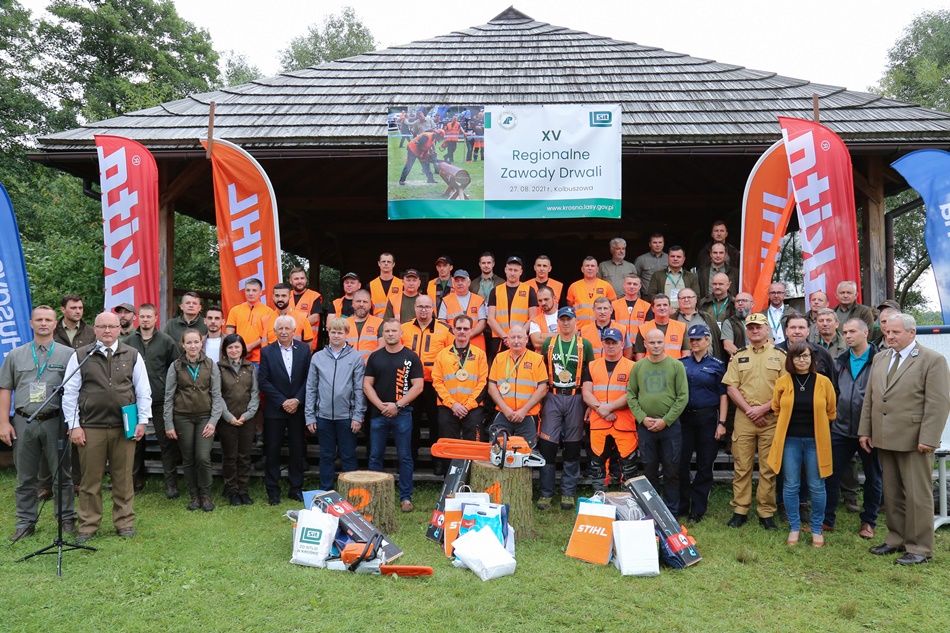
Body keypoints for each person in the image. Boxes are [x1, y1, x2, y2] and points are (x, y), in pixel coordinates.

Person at [859, 313, 950, 565]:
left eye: (895, 333)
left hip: (914, 440)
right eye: (887, 332)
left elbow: (938, 403)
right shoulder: (880, 358)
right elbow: (872, 398)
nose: (889, 337)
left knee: (918, 495)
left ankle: (921, 548)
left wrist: (929, 437)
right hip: (884, 438)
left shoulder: (932, 360)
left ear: (911, 333)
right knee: (892, 493)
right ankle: (895, 539)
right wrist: (866, 430)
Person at [63, 311, 151, 544]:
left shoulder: (132, 355)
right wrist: (74, 426)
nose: (107, 331)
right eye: (102, 327)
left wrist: (142, 421)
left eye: (112, 326)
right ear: (94, 329)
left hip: (125, 426)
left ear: (120, 328)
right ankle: (88, 525)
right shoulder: (81, 355)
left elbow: (143, 390)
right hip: (91, 426)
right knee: (90, 480)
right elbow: (70, 392)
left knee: (123, 477)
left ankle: (124, 522)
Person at [0, 306, 77, 541]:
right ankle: (25, 522)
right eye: (39, 319)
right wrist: (4, 422)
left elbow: (76, 391)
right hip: (24, 422)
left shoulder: (68, 354)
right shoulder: (16, 355)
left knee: (61, 474)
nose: (43, 323)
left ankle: (66, 518)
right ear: (31, 323)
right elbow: (5, 389)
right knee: (25, 476)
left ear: (56, 324)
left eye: (48, 320)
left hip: (56, 422)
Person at [722, 313, 787, 530]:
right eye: (751, 328)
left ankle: (766, 512)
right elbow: (731, 387)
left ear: (767, 330)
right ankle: (740, 509)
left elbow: (786, 389)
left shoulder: (780, 356)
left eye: (759, 327)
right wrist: (751, 411)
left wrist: (763, 409)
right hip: (745, 418)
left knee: (768, 468)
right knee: (742, 466)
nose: (755, 331)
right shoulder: (739, 356)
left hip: (771, 418)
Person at [768, 342, 837, 547]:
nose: (802, 360)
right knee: (790, 485)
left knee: (817, 485)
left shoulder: (823, 382)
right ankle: (794, 527)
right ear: (791, 360)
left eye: (806, 356)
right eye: (797, 357)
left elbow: (831, 411)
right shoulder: (783, 382)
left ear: (812, 359)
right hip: (790, 441)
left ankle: (816, 529)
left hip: (816, 441)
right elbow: (777, 408)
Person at [824, 318, 883, 538]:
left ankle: (868, 522)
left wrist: (874, 427)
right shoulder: (839, 361)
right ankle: (827, 520)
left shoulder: (879, 360)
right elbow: (834, 392)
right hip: (841, 429)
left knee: (873, 476)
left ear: (865, 333)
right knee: (830, 475)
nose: (847, 336)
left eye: (852, 332)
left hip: (870, 430)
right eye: (845, 332)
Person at [537, 307, 596, 510]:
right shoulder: (549, 343)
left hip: (575, 397)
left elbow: (590, 374)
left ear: (575, 321)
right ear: (558, 322)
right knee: (548, 445)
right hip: (553, 396)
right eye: (562, 320)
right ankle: (546, 493)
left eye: (569, 319)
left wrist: (589, 403)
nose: (565, 323)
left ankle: (568, 493)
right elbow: (541, 369)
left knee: (572, 446)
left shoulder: (584, 345)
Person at [363, 319, 424, 512]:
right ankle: (375, 494)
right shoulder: (375, 357)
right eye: (387, 331)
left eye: (394, 331)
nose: (390, 334)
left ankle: (405, 497)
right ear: (383, 334)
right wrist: (381, 405)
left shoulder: (411, 357)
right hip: (378, 413)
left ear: (400, 333)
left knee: (405, 456)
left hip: (403, 413)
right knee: (375, 456)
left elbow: (418, 386)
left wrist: (397, 405)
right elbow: (366, 385)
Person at [626, 328, 688, 516]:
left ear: (665, 343)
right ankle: (652, 511)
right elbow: (631, 394)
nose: (656, 346)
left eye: (659, 342)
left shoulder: (676, 366)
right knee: (649, 470)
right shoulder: (638, 366)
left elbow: (683, 397)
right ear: (645, 344)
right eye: (651, 342)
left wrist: (666, 420)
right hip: (646, 427)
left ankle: (671, 512)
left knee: (671, 470)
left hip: (670, 427)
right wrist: (642, 418)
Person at [123, 303, 180, 497]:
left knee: (166, 443)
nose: (145, 319)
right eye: (142, 316)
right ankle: (134, 481)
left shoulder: (166, 341)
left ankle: (170, 483)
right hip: (134, 400)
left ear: (156, 318)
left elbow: (176, 367)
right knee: (135, 441)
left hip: (160, 398)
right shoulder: (129, 341)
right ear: (137, 317)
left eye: (149, 316)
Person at [163, 329, 223, 512]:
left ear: (201, 343)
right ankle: (194, 496)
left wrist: (213, 421)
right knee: (188, 458)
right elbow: (168, 396)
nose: (193, 346)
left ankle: (206, 495)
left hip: (205, 417)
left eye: (196, 342)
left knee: (203, 457)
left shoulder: (211, 364)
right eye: (188, 343)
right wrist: (169, 424)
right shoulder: (175, 366)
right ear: (183, 345)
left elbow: (217, 395)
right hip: (183, 418)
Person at [304, 317, 366, 491]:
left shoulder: (355, 358)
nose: (336, 335)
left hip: (346, 417)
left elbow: (359, 389)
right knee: (326, 456)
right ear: (328, 333)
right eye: (333, 332)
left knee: (348, 456)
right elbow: (311, 388)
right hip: (323, 416)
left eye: (340, 332)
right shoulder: (318, 357)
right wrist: (310, 416)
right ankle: (326, 492)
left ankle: (351, 493)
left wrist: (357, 415)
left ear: (347, 334)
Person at [258, 315, 312, 505]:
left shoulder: (304, 350)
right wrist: (283, 401)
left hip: (297, 408)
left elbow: (309, 379)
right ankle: (273, 491)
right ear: (274, 332)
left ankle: (295, 488)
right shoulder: (267, 352)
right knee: (272, 450)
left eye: (287, 328)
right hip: (275, 409)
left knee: (297, 450)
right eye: (279, 329)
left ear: (294, 331)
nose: (283, 332)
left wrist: (297, 400)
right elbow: (263, 381)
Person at [679, 324, 728, 523]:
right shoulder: (681, 363)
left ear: (708, 340)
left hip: (708, 418)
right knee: (680, 463)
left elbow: (723, 395)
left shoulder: (717, 365)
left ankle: (697, 510)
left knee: (704, 464)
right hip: (684, 419)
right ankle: (682, 504)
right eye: (692, 340)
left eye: (699, 339)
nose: (695, 343)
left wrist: (722, 422)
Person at [581, 328, 639, 493]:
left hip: (624, 423)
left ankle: (628, 501)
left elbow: (631, 393)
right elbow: (586, 393)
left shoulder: (632, 367)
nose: (611, 346)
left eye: (615, 342)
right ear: (603, 343)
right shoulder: (592, 366)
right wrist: (602, 410)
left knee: (628, 464)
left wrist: (609, 408)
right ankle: (600, 499)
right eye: (608, 342)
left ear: (622, 344)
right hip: (599, 423)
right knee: (597, 463)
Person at [401, 295, 453, 474]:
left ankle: (437, 461)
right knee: (411, 423)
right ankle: (411, 460)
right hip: (410, 383)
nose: (423, 310)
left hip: (434, 383)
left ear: (433, 309)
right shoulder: (404, 328)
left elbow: (451, 355)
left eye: (427, 307)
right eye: (420, 306)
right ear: (415, 308)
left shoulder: (444, 329)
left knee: (435, 423)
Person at [431, 314, 488, 454]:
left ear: (471, 331)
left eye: (466, 328)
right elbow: (437, 383)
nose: (462, 331)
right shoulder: (442, 355)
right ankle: (448, 475)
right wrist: (453, 405)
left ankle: (470, 476)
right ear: (453, 330)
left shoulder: (480, 354)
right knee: (448, 447)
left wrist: (467, 406)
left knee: (473, 448)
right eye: (459, 328)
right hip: (448, 407)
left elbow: (483, 383)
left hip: (473, 408)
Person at [487, 325, 548, 445]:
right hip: (503, 413)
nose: (516, 341)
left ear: (526, 339)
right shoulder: (499, 358)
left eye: (519, 337)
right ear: (507, 340)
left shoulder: (537, 359)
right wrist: (506, 410)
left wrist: (523, 411)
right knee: (498, 450)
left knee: (526, 453)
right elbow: (491, 387)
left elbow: (542, 388)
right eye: (513, 337)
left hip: (528, 415)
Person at [216, 333, 259, 506]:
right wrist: (228, 417)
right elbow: (216, 394)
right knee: (230, 456)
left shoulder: (250, 367)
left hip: (247, 419)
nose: (234, 350)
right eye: (230, 347)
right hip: (227, 419)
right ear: (225, 350)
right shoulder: (218, 367)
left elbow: (255, 393)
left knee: (244, 456)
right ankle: (232, 490)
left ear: (242, 349)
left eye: (237, 346)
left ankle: (243, 490)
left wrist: (248, 414)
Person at [487, 256, 538, 353]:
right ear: (505, 270)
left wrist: (518, 336)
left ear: (521, 272)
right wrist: (506, 337)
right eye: (510, 270)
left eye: (515, 270)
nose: (512, 273)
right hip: (500, 340)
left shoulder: (529, 290)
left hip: (521, 340)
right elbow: (490, 319)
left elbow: (533, 317)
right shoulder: (495, 291)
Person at [225, 278, 274, 365]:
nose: (250, 293)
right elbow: (229, 331)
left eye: (254, 290)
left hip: (259, 358)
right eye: (248, 290)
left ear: (260, 292)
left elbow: (267, 335)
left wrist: (250, 347)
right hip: (238, 357)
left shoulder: (269, 312)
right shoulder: (235, 310)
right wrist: (239, 347)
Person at [439, 269, 487, 351]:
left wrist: (468, 335)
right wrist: (458, 336)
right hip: (453, 343)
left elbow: (482, 322)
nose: (460, 283)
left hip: (475, 344)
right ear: (453, 283)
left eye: (463, 280)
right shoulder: (446, 300)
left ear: (469, 282)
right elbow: (441, 322)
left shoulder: (479, 300)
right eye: (457, 281)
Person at [671, 289, 724, 361]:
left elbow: (718, 343)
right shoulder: (672, 319)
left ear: (695, 299)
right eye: (683, 298)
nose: (686, 300)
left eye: (689, 297)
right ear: (678, 301)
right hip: (679, 364)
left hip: (706, 365)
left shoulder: (707, 318)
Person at [566, 256, 617, 328]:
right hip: (579, 328)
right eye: (587, 266)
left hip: (601, 328)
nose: (590, 268)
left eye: (592, 266)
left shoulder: (606, 286)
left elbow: (614, 307)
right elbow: (569, 308)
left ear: (597, 269)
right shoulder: (573, 286)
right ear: (582, 269)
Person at [634, 294, 689, 361]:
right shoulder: (643, 328)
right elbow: (639, 357)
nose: (662, 308)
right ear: (653, 309)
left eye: (665, 305)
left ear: (670, 308)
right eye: (658, 305)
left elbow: (686, 355)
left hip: (674, 369)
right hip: (651, 370)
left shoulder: (681, 327)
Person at [645, 245, 699, 310]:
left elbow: (696, 296)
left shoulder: (691, 277)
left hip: (685, 314)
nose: (675, 259)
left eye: (678, 257)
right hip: (664, 312)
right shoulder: (657, 275)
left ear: (684, 259)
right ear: (668, 258)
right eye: (672, 256)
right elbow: (651, 295)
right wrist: (665, 308)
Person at [265, 283, 313, 347]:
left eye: (283, 296)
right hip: (272, 356)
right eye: (277, 296)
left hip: (296, 356)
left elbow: (309, 348)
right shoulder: (265, 319)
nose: (280, 299)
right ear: (273, 297)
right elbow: (264, 346)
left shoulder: (302, 318)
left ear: (290, 297)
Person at [287, 267, 323, 351]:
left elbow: (315, 318)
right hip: (287, 342)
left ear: (306, 280)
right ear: (290, 281)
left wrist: (292, 326)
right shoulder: (286, 296)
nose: (300, 281)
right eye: (296, 279)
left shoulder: (314, 296)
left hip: (307, 343)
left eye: (302, 278)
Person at [346, 289, 383, 364]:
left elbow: (382, 346)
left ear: (370, 305)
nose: (361, 304)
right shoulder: (344, 323)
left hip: (371, 367)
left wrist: (368, 361)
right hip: (347, 367)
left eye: (365, 302)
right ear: (353, 303)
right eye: (358, 301)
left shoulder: (379, 323)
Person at [369, 252, 403, 318]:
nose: (386, 263)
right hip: (377, 324)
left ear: (393, 264)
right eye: (383, 261)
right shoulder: (371, 285)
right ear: (379, 263)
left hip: (396, 323)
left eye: (389, 262)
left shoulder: (402, 284)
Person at [721, 292, 754, 357]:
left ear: (752, 304)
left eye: (744, 300)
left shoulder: (761, 320)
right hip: (739, 362)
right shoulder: (729, 322)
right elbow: (728, 346)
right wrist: (745, 359)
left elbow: (769, 342)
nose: (740, 303)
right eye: (737, 301)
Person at [528, 285, 560, 351]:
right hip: (543, 359)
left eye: (546, 299)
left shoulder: (566, 316)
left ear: (554, 298)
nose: (543, 303)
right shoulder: (535, 321)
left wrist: (543, 336)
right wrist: (561, 337)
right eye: (540, 300)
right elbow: (537, 344)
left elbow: (572, 337)